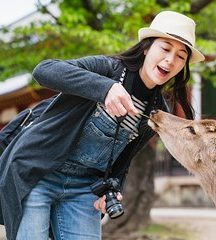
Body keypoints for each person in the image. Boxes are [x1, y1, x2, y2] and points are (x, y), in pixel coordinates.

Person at [0, 10, 205, 240]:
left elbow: (124, 158)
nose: (170, 60)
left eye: (181, 56)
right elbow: (44, 70)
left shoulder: (157, 111)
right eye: (165, 48)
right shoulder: (107, 69)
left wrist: (113, 188)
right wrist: (104, 88)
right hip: (38, 173)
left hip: (84, 190)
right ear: (147, 48)